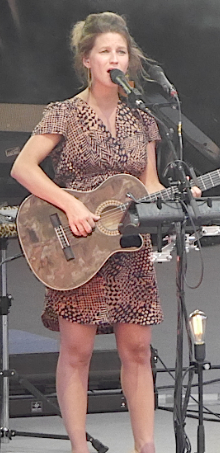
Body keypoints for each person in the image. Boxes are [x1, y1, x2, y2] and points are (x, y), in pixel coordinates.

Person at [10, 12, 198, 453]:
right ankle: (79, 447)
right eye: (105, 51)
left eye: (121, 51)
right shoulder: (65, 113)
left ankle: (145, 447)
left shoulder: (144, 119)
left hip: (130, 246)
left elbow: (148, 184)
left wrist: (177, 196)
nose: (115, 58)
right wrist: (70, 203)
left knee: (136, 351)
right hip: (77, 246)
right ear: (87, 61)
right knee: (77, 353)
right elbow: (23, 167)